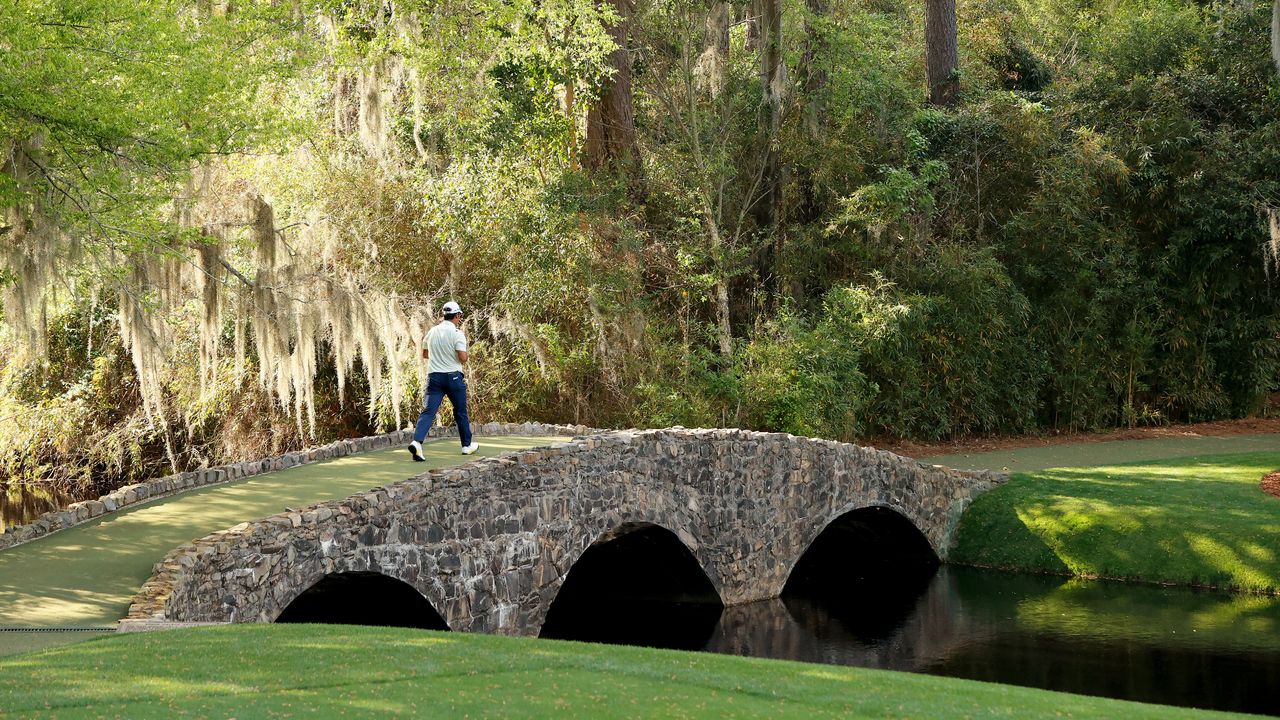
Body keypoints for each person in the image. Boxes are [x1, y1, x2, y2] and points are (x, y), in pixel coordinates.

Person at [409, 300, 479, 460]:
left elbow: (425, 354)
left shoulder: (432, 332)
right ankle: (466, 446)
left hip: (434, 377)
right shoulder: (457, 334)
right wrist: (463, 355)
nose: (460, 318)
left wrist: (440, 355)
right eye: (460, 315)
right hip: (453, 377)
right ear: (457, 316)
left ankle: (417, 442)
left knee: (428, 411)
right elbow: (462, 358)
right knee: (460, 412)